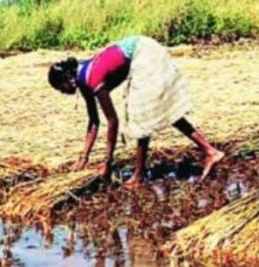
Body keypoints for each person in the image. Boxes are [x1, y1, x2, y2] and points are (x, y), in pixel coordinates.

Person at [47, 36, 224, 188]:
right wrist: (83, 158)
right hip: (139, 51)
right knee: (155, 110)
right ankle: (210, 152)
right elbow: (94, 122)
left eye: (60, 88)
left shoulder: (91, 78)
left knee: (141, 115)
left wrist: (107, 163)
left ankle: (139, 175)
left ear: (68, 79)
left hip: (145, 53)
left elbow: (112, 121)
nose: (62, 92)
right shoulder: (82, 78)